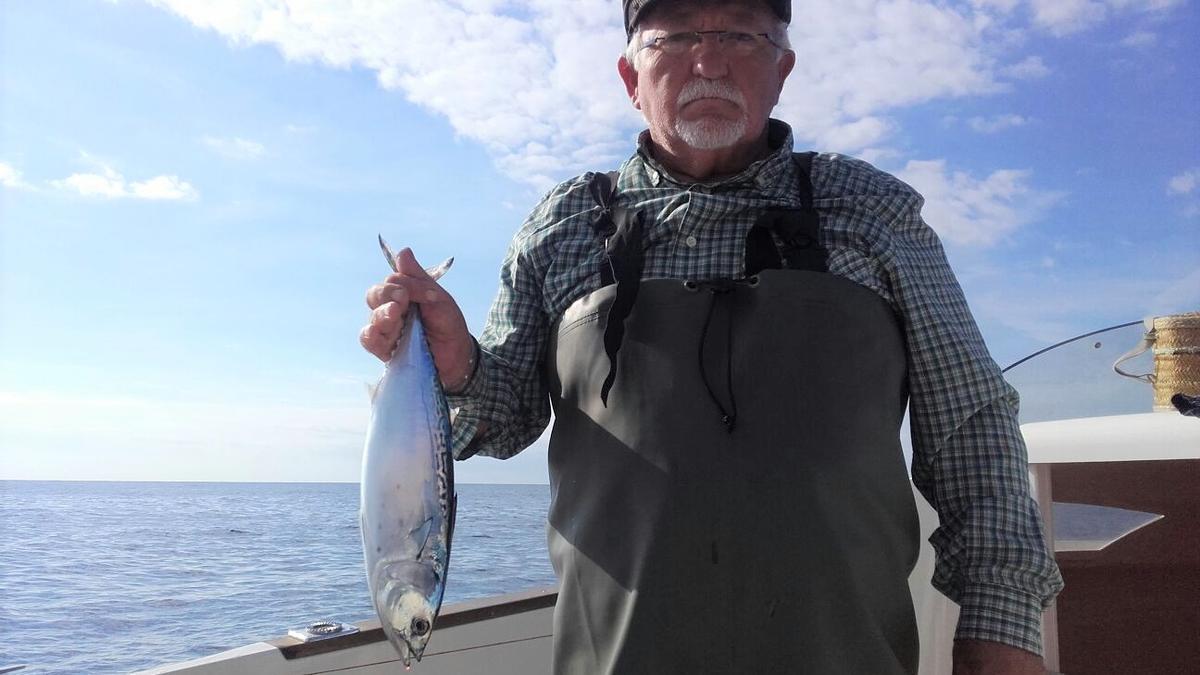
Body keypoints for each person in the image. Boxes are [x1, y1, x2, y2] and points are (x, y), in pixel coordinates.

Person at [360, 0, 1063, 672]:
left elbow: (972, 428)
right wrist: (455, 366)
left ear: (782, 68)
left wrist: (1000, 626)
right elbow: (503, 417)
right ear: (631, 77)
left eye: (741, 37)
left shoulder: (874, 211)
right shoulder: (561, 226)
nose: (710, 62)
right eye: (675, 39)